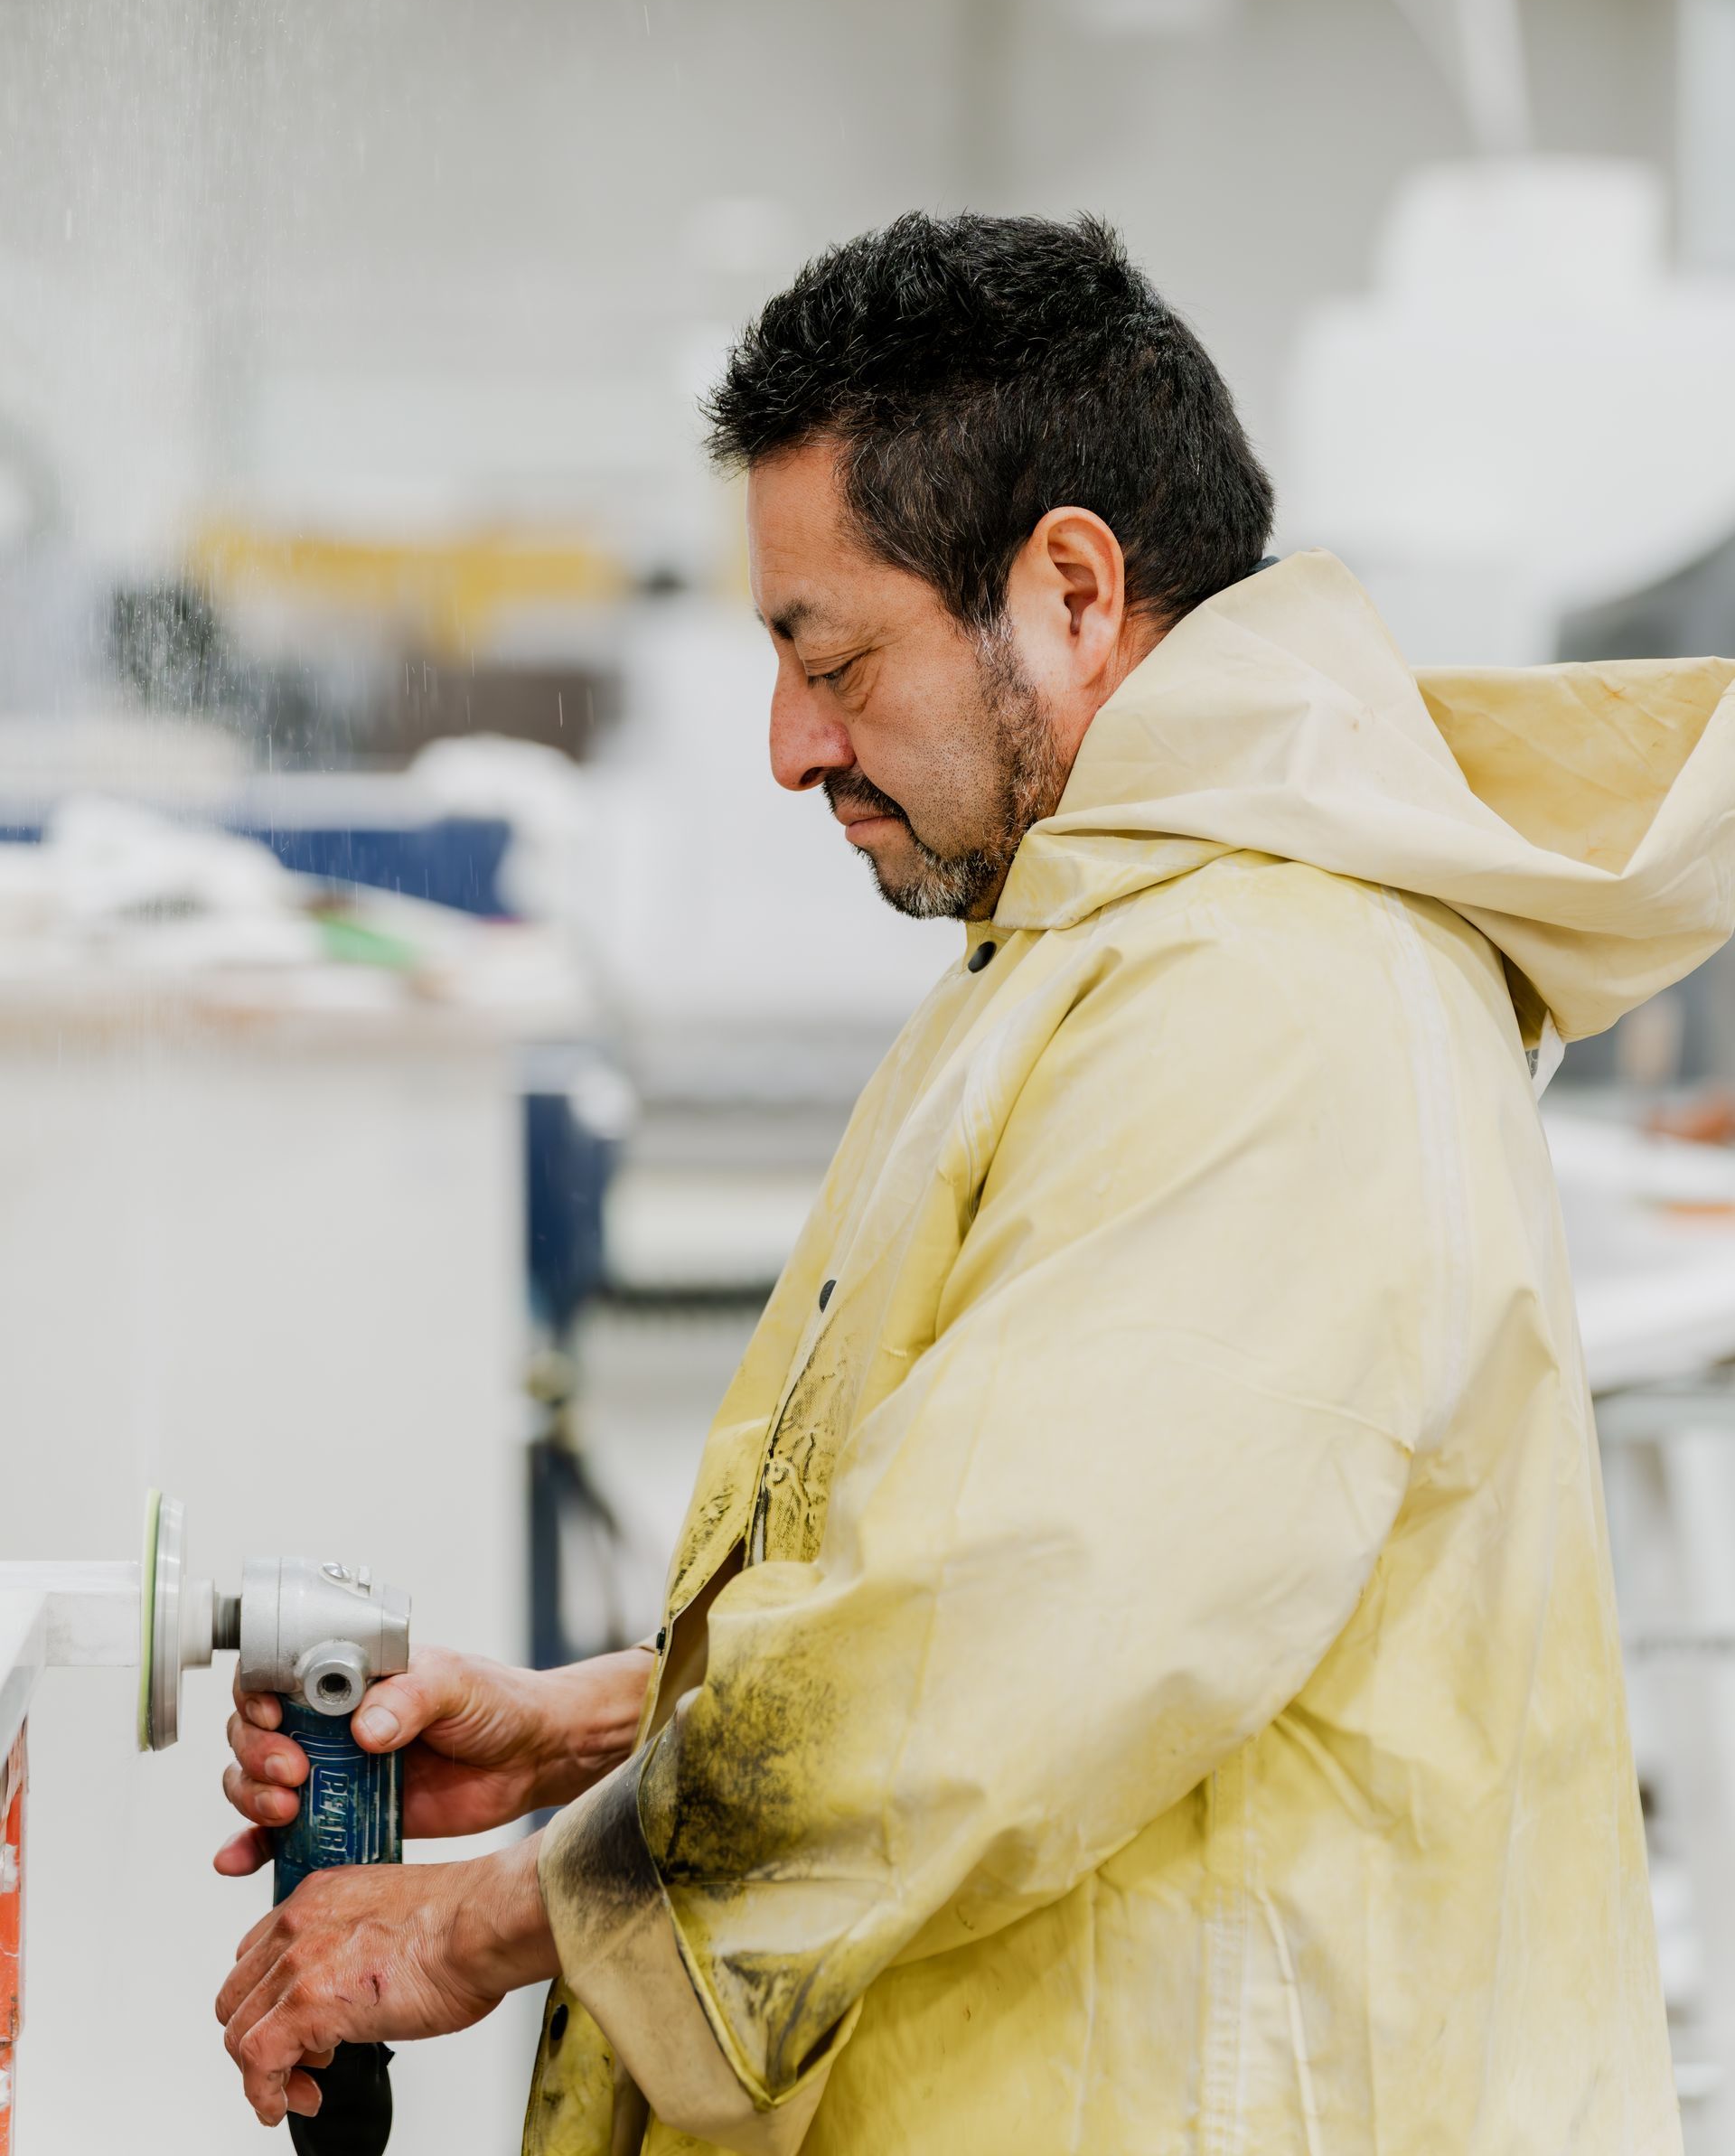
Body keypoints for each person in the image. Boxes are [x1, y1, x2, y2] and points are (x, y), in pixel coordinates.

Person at [215, 212, 1735, 2155]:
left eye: (832, 657)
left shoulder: (1265, 990)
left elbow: (1028, 1621)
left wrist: (503, 1921)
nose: (788, 747)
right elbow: (1049, 1537)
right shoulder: (1110, 940)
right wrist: (594, 1726)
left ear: (1075, 590)